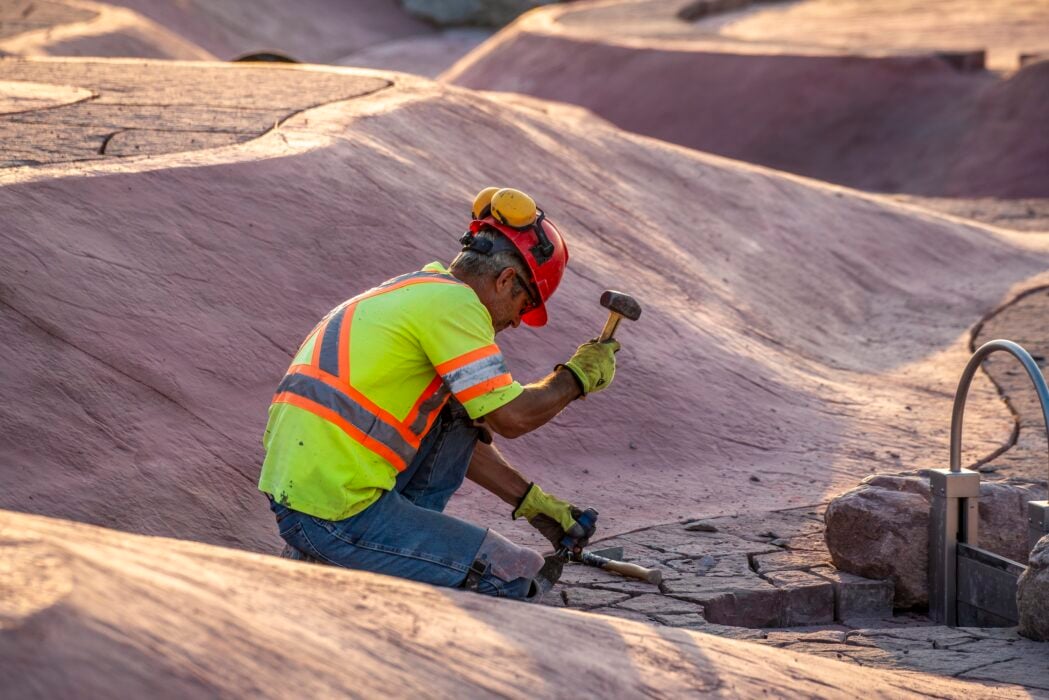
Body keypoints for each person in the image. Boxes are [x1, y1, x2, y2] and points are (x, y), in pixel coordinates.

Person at [259, 186, 620, 600]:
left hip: (309, 498)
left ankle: (385, 550)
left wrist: (535, 504)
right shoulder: (458, 307)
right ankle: (365, 564)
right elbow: (512, 418)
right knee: (512, 575)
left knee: (462, 413)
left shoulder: (417, 289)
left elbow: (469, 425)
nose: (518, 323)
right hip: (334, 516)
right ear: (505, 280)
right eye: (523, 306)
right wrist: (577, 376)